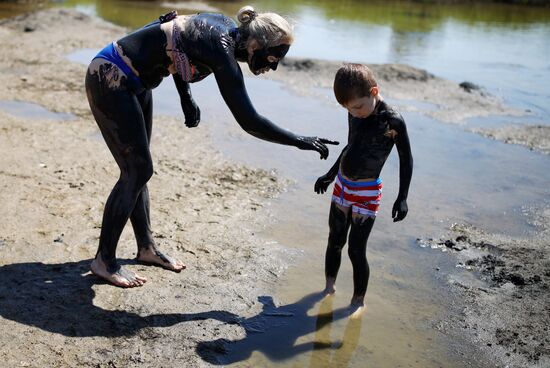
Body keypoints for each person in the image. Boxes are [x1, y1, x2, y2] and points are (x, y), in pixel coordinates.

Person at [85, 5, 338, 288]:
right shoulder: (221, 47)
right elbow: (249, 120)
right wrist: (299, 140)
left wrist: (186, 97)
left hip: (137, 83)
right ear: (254, 44)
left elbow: (177, 44)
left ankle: (146, 249)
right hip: (110, 76)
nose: (274, 66)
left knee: (139, 170)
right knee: (137, 170)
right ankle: (104, 261)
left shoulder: (224, 31)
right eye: (272, 57)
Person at [314, 64, 413, 317]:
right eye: (348, 109)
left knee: (356, 249)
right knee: (334, 240)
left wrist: (402, 198)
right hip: (343, 185)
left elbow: (406, 160)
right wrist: (330, 174)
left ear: (374, 92)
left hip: (367, 191)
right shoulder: (354, 110)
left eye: (358, 107)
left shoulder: (392, 121)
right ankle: (328, 288)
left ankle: (358, 301)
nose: (354, 113)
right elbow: (350, 146)